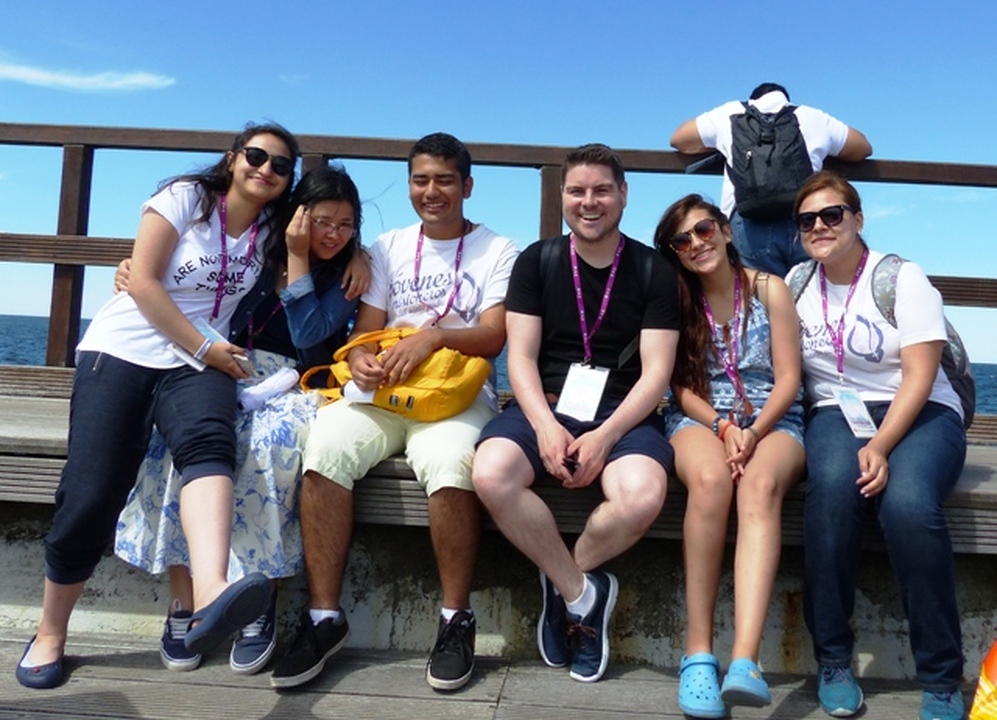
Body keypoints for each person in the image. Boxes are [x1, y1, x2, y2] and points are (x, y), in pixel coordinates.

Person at [16, 123, 299, 689]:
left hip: (198, 361)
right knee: (91, 492)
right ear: (232, 158)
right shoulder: (186, 198)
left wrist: (360, 259)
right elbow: (143, 280)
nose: (266, 169)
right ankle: (50, 631)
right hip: (125, 348)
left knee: (209, 445)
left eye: (281, 165)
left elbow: (336, 227)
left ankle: (212, 592)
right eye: (256, 155)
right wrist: (204, 347)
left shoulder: (274, 226)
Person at [268, 132, 519, 692]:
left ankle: (455, 619)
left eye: (444, 180)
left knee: (452, 464)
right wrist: (358, 357)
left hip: (455, 397)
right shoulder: (387, 246)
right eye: (420, 180)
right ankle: (323, 617)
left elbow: (495, 335)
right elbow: (365, 330)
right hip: (383, 394)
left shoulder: (499, 249)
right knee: (325, 448)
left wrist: (433, 337)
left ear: (468, 186)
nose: (431, 191)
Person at [113, 165, 369, 676]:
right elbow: (186, 273)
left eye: (346, 225)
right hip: (219, 364)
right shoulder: (255, 246)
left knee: (269, 449)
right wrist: (130, 268)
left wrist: (302, 257)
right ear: (298, 215)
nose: (334, 235)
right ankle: (185, 601)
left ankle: (258, 599)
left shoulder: (346, 274)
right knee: (177, 446)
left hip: (297, 379)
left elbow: (311, 335)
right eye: (322, 221)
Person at [471, 144, 680, 684]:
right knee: (490, 474)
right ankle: (584, 595)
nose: (589, 202)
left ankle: (563, 579)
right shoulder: (537, 261)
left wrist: (606, 436)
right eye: (577, 191)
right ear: (563, 196)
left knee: (642, 497)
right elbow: (519, 358)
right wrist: (545, 426)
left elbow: (657, 373)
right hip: (544, 403)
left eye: (602, 190)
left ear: (624, 195)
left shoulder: (653, 270)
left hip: (623, 412)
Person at [791, 171, 966, 720]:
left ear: (858, 219)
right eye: (806, 220)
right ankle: (833, 659)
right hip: (835, 411)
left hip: (921, 409)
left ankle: (941, 675)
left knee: (909, 506)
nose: (819, 227)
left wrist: (883, 445)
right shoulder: (796, 283)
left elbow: (921, 374)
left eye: (832, 214)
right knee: (831, 495)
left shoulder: (901, 278)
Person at [653, 194, 805, 717]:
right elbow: (679, 386)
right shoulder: (679, 300)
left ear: (724, 229)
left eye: (703, 230)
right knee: (711, 482)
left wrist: (753, 431)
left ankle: (745, 659)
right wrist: (722, 427)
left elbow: (789, 379)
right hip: (702, 417)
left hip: (773, 418)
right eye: (682, 240)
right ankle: (698, 654)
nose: (696, 243)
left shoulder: (769, 289)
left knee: (759, 486)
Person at [670, 82, 872, 276]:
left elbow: (679, 139)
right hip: (806, 221)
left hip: (749, 224)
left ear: (753, 99)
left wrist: (718, 146)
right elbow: (862, 148)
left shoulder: (729, 113)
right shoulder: (813, 117)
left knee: (760, 295)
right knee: (808, 294)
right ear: (786, 99)